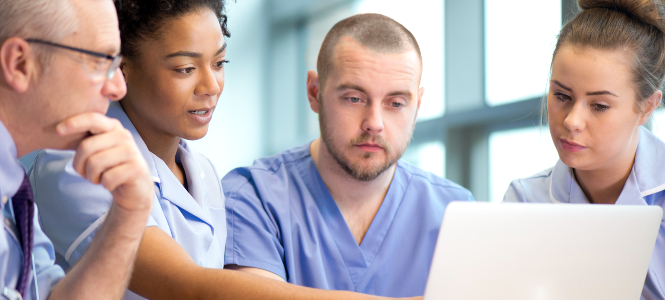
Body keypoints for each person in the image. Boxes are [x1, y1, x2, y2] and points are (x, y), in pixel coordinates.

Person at [29, 2, 418, 300]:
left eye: (219, 62)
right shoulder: (78, 162)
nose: (211, 85)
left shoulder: (205, 174)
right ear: (123, 71)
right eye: (185, 69)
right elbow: (189, 286)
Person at [222, 13, 473, 297]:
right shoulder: (253, 197)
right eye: (354, 98)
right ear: (314, 92)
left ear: (417, 105)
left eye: (396, 103)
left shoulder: (456, 211)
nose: (374, 122)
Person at [502, 0, 665, 298]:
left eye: (599, 106)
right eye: (562, 96)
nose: (572, 121)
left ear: (646, 107)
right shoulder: (523, 201)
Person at [0, 0, 154, 299]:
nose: (118, 87)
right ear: (19, 63)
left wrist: (130, 212)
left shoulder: (14, 191)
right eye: (101, 61)